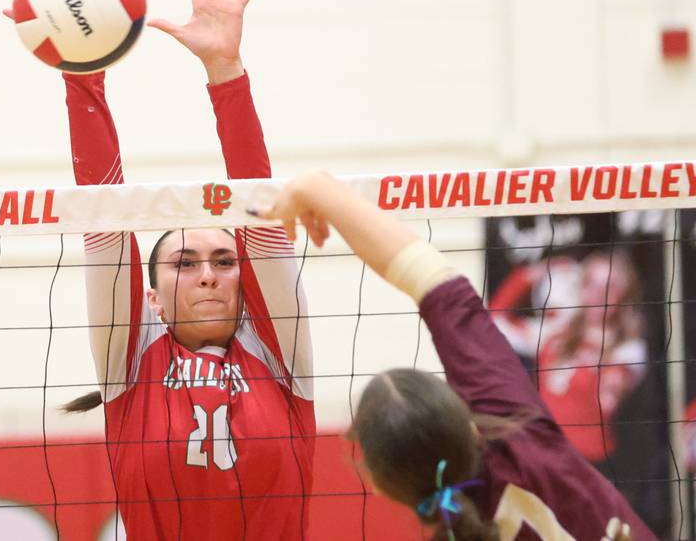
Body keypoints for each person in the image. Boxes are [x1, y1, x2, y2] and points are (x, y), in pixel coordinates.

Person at [30, 0, 315, 540]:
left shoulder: (279, 357)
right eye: (184, 264)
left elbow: (257, 208)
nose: (209, 274)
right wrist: (83, 77)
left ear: (246, 280)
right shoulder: (130, 365)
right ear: (152, 299)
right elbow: (105, 220)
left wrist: (226, 70)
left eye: (223, 260)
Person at [255, 171, 656, 540]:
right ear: (469, 425)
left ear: (378, 485)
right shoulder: (520, 434)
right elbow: (436, 285)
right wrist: (320, 189)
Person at [490, 250, 647, 467]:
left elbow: (610, 395)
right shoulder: (553, 333)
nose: (598, 294)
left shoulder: (628, 349)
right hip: (545, 455)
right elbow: (495, 319)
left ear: (625, 294)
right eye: (590, 283)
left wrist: (611, 381)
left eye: (609, 287)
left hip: (591, 463)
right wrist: (533, 274)